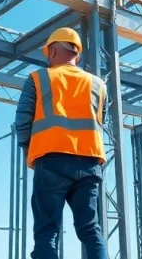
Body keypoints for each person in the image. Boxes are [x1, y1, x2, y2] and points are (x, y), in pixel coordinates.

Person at [14, 27, 110, 259]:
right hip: (89, 163)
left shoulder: (38, 78)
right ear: (77, 55)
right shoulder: (98, 84)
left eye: (48, 53)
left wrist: (30, 149)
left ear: (54, 50)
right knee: (90, 230)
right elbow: (100, 119)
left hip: (51, 160)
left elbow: (22, 121)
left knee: (47, 232)